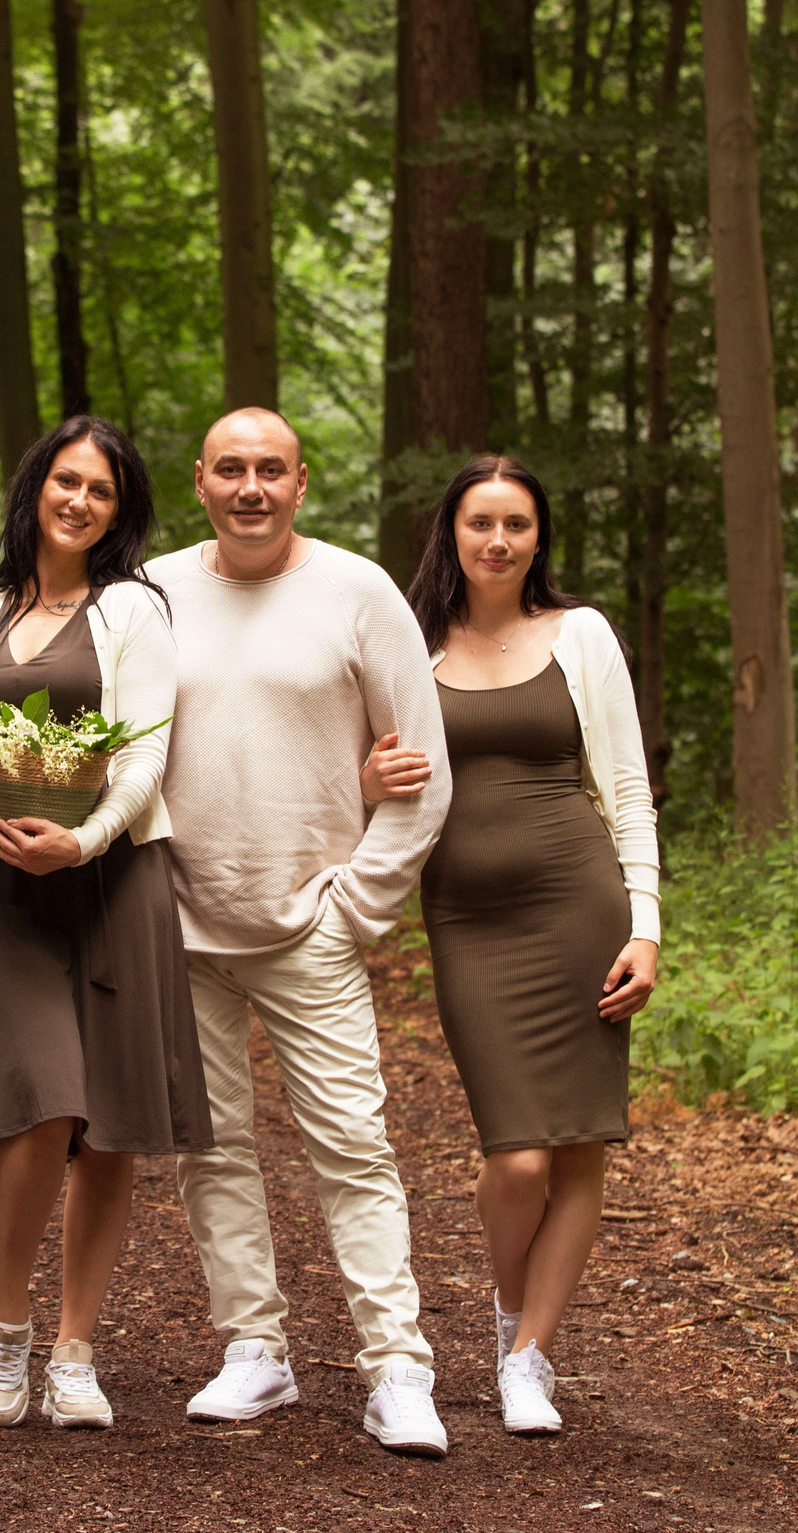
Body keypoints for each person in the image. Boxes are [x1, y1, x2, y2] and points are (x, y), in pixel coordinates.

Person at [150, 406, 455, 1457]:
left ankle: (397, 1365)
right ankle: (254, 1352)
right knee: (212, 1147)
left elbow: (423, 767)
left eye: (268, 470)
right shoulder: (151, 593)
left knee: (352, 1145)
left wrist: (357, 905)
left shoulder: (357, 592)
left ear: (300, 480)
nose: (249, 487)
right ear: (199, 480)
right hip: (182, 922)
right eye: (230, 469)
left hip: (309, 923)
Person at [0, 415, 213, 1432]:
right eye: (65, 481)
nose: (78, 501)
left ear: (119, 508)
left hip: (114, 880)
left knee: (107, 1128)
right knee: (42, 1100)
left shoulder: (134, 610)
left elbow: (145, 753)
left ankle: (75, 1348)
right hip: (8, 891)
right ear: (35, 488)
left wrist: (85, 840)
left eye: (100, 490)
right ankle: (5, 1324)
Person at [405, 455, 660, 1437]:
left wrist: (644, 925)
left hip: (578, 907)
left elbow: (628, 790)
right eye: (480, 523)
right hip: (468, 923)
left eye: (516, 523)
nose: (497, 540)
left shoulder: (580, 635)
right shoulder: (414, 645)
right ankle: (512, 1317)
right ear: (453, 534)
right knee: (516, 1158)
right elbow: (374, 773)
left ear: (538, 536)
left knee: (579, 1150)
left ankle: (528, 1359)